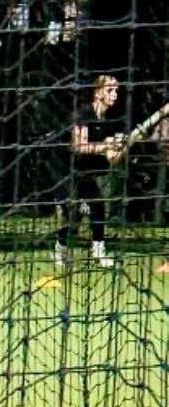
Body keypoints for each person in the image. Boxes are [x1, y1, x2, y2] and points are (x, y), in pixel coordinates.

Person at [56, 75, 124, 270]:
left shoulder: (108, 120)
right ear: (97, 92)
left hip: (85, 173)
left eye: (116, 91)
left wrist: (117, 149)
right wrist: (105, 146)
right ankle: (60, 251)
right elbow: (80, 146)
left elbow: (111, 158)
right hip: (65, 169)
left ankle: (98, 253)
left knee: (98, 207)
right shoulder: (84, 114)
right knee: (73, 215)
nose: (115, 95)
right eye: (110, 90)